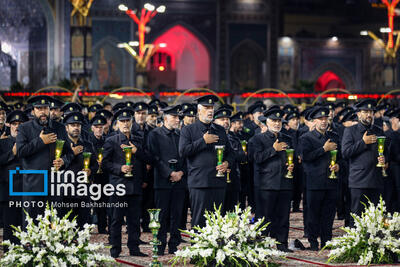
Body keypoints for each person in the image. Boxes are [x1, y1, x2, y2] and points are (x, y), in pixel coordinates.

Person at [179, 95, 234, 228]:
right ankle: (197, 248)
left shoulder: (220, 130)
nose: (210, 110)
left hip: (218, 182)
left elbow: (231, 153)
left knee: (217, 221)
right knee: (199, 221)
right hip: (200, 183)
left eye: (212, 107)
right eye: (206, 107)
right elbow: (183, 151)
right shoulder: (188, 130)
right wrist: (203, 141)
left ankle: (216, 248)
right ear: (199, 111)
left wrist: (227, 163)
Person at [16, 95, 71, 224]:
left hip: (54, 184)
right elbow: (20, 151)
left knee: (54, 223)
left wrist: (63, 161)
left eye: (45, 108)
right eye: (39, 108)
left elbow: (69, 153)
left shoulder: (60, 127)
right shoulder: (25, 128)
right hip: (33, 185)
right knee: (31, 224)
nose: (42, 112)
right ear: (33, 111)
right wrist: (41, 141)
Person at [103, 109, 148, 258]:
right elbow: (104, 164)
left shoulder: (138, 139)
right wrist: (120, 168)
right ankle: (115, 249)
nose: (125, 124)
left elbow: (145, 160)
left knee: (134, 220)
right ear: (117, 124)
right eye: (122, 121)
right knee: (116, 220)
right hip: (118, 187)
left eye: (127, 121)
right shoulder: (111, 141)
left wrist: (144, 179)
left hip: (135, 186)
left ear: (131, 122)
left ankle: (134, 248)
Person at [248, 109, 294, 253]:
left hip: (285, 183)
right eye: (273, 121)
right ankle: (260, 246)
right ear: (266, 122)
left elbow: (292, 155)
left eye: (279, 121)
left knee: (283, 217)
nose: (276, 123)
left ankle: (282, 244)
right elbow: (255, 158)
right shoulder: (257, 139)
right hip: (265, 184)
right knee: (264, 217)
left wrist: (292, 165)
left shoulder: (287, 138)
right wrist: (273, 149)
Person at [147, 105, 186, 255]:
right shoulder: (154, 134)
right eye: (174, 117)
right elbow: (154, 157)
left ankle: (174, 245)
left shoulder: (180, 135)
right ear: (165, 118)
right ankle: (160, 245)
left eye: (178, 117)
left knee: (177, 215)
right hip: (162, 182)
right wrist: (169, 173)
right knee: (161, 216)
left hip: (179, 181)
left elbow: (185, 157)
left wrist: (181, 172)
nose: (177, 120)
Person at [300, 106, 340, 251]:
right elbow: (306, 157)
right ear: (314, 121)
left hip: (331, 181)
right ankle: (312, 241)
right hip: (314, 182)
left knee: (329, 214)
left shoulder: (334, 136)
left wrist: (338, 167)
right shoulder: (306, 138)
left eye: (326, 119)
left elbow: (341, 157)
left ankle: (326, 241)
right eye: (320, 119)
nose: (324, 121)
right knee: (313, 213)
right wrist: (323, 149)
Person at [342, 100, 387, 223]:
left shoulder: (378, 130)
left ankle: (373, 242)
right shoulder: (350, 131)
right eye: (365, 111)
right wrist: (363, 143)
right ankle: (356, 242)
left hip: (376, 179)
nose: (369, 114)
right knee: (357, 216)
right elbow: (345, 153)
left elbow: (385, 151)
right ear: (358, 114)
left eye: (371, 112)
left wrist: (384, 159)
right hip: (359, 181)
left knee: (375, 217)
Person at [61, 112, 97, 228]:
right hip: (65, 192)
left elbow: (95, 164)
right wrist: (72, 153)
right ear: (66, 128)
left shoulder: (88, 145)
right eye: (72, 125)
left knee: (83, 227)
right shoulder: (60, 145)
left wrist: (91, 171)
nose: (76, 128)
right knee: (66, 229)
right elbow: (56, 166)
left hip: (83, 192)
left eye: (78, 125)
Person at [0, 110, 28, 251]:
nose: (17, 127)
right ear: (9, 125)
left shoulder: (30, 143)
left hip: (28, 191)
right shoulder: (2, 143)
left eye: (21, 124)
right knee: (10, 228)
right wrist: (13, 153)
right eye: (14, 124)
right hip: (8, 192)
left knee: (27, 228)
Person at [89, 114, 109, 233]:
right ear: (92, 128)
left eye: (101, 126)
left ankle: (102, 227)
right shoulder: (88, 141)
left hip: (104, 175)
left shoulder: (107, 140)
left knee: (103, 202)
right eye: (96, 127)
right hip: (91, 175)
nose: (99, 129)